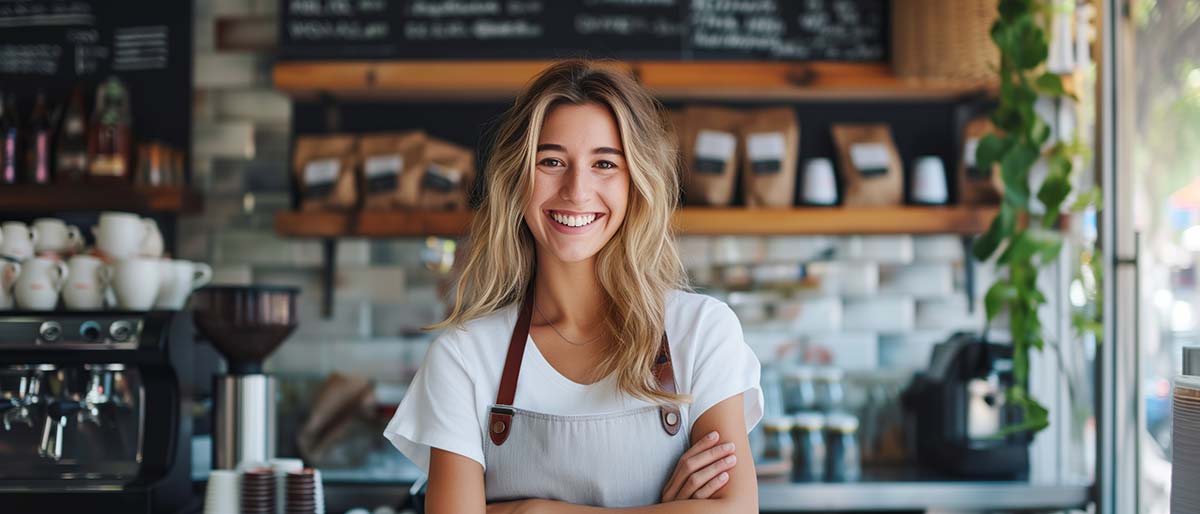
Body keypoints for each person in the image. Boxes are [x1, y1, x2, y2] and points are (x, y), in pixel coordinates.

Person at [383, 60, 763, 514]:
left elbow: (735, 510)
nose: (577, 190)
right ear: (516, 178)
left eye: (604, 163)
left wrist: (535, 511)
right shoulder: (464, 356)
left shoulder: (700, 332)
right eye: (551, 161)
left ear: (636, 182)